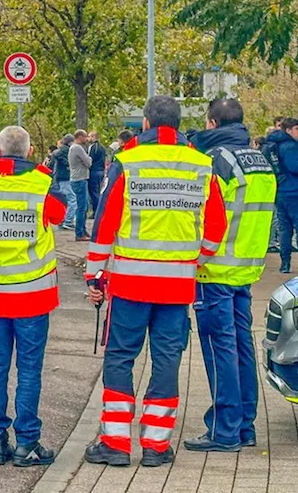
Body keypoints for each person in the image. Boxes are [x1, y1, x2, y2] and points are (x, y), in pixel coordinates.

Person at [83, 96, 228, 468]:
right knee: (166, 360)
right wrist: (196, 259)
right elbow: (216, 228)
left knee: (120, 357)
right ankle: (156, 445)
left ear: (146, 123)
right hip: (177, 285)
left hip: (131, 283)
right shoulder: (202, 165)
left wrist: (96, 273)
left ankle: (115, 442)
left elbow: (105, 222)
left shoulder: (127, 163)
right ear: (179, 124)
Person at [0, 125, 65, 467]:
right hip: (32, 293)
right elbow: (60, 214)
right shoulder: (41, 183)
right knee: (28, 369)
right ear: (29, 151)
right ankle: (27, 442)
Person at [185, 98, 274, 453]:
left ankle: (224, 430)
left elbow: (206, 214)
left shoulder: (217, 161)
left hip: (215, 267)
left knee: (218, 348)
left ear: (211, 123)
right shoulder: (260, 160)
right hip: (246, 267)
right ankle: (244, 425)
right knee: (241, 345)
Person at [264, 118, 298, 274]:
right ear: (288, 131)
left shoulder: (275, 146)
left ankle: (285, 263)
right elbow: (296, 167)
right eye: (297, 128)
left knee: (285, 229)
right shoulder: (290, 147)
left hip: (281, 191)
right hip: (296, 192)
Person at [68, 130, 92, 241]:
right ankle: (79, 233)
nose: (87, 139)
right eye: (85, 136)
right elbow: (89, 162)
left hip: (77, 179)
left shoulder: (73, 148)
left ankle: (82, 229)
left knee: (84, 205)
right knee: (82, 207)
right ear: (80, 136)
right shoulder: (77, 148)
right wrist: (88, 158)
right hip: (80, 179)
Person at [50, 135, 76, 232]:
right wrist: (68, 164)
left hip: (61, 177)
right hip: (65, 177)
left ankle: (63, 220)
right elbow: (59, 155)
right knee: (72, 199)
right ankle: (68, 221)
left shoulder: (61, 150)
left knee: (65, 199)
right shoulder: (66, 151)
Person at [87, 131, 108, 219]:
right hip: (101, 171)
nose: (88, 139)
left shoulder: (93, 147)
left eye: (89, 136)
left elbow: (89, 160)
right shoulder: (102, 148)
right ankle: (98, 210)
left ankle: (97, 211)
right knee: (98, 191)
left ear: (93, 137)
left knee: (93, 193)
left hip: (94, 171)